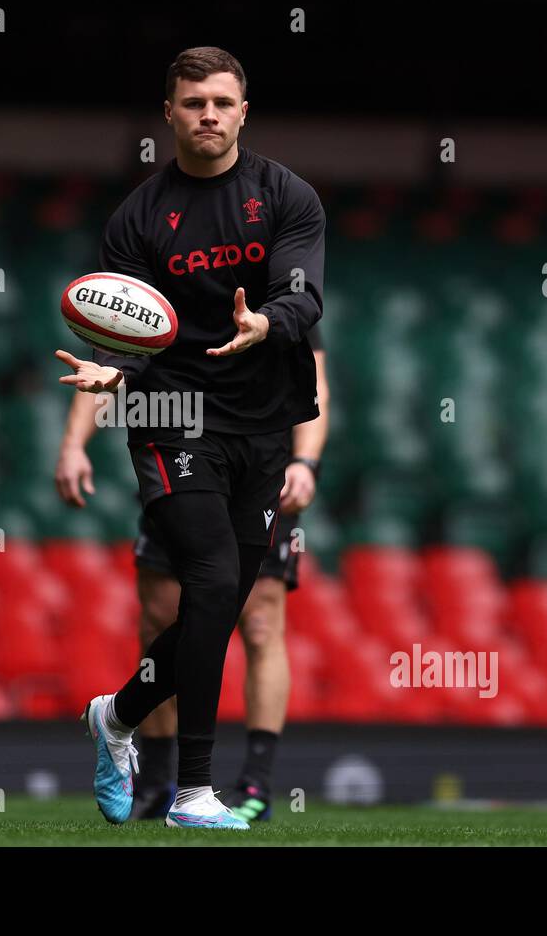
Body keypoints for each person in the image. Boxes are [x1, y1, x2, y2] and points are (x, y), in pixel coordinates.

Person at [55, 46, 325, 829]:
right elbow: (117, 326)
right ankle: (195, 792)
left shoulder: (287, 198)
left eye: (221, 101)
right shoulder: (137, 216)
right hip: (168, 409)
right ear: (168, 114)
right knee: (209, 578)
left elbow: (304, 297)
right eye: (192, 102)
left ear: (244, 111)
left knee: (223, 597)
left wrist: (265, 321)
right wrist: (112, 375)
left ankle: (117, 714)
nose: (208, 114)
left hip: (263, 416)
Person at [55, 331, 329, 822]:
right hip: (178, 437)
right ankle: (159, 778)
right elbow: (117, 343)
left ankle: (253, 782)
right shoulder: (169, 272)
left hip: (258, 454)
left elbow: (315, 380)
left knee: (254, 618)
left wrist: (305, 460)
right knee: (164, 613)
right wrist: (74, 443)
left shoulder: (275, 283)